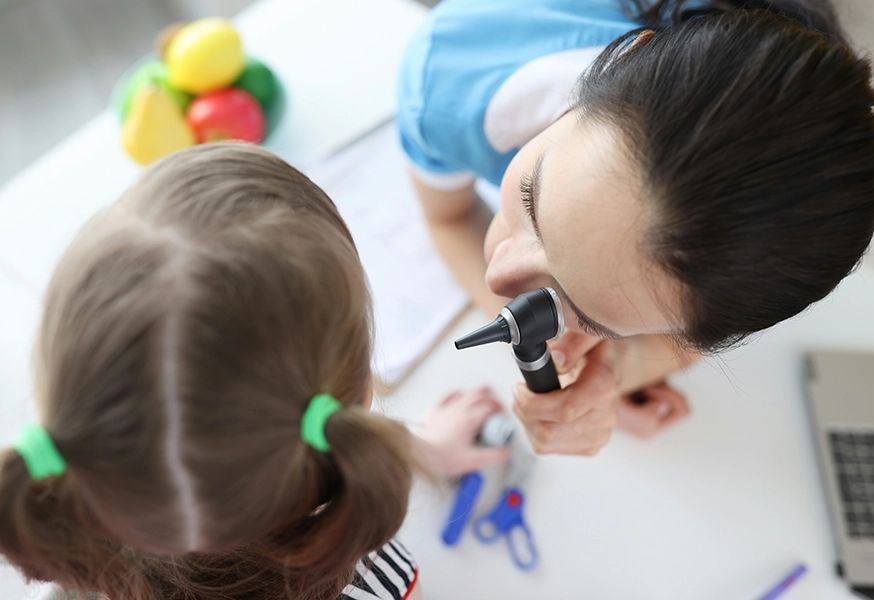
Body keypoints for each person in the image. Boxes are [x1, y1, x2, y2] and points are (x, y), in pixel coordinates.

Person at [0, 144, 509, 600]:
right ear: (357, 394)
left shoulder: (73, 523)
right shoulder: (375, 583)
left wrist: (419, 450)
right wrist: (414, 454)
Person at [397, 0, 874, 454]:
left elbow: (681, 344)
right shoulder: (444, 80)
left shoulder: (773, 237)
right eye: (529, 198)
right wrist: (578, 333)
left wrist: (613, 371)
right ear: (624, 57)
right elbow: (448, 216)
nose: (498, 278)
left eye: (590, 315)